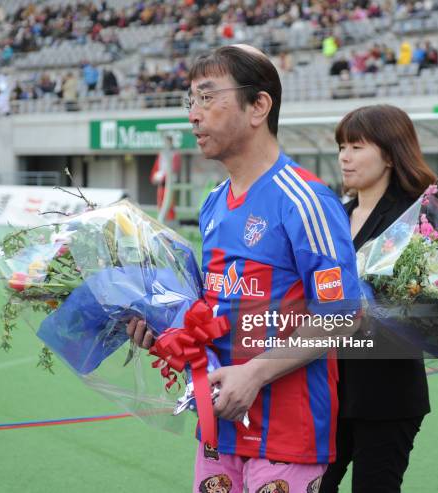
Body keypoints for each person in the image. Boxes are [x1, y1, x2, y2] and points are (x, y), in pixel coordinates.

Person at [128, 44, 361, 493]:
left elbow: (342, 313)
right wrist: (163, 328)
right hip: (220, 427)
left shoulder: (304, 200)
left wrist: (253, 374)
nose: (193, 115)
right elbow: (211, 312)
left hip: (287, 436)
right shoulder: (214, 203)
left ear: (258, 106)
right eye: (189, 101)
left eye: (207, 97)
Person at [319, 105, 435, 493]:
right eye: (341, 146)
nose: (344, 157)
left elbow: (434, 306)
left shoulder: (417, 218)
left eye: (356, 146)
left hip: (387, 395)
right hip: (329, 387)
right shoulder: (335, 214)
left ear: (389, 153)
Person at [150, 134, 180, 222]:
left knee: (169, 205)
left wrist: (164, 176)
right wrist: (155, 177)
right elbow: (156, 168)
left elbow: (175, 168)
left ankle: (170, 222)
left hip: (170, 182)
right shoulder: (162, 154)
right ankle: (161, 222)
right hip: (161, 183)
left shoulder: (175, 154)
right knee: (161, 204)